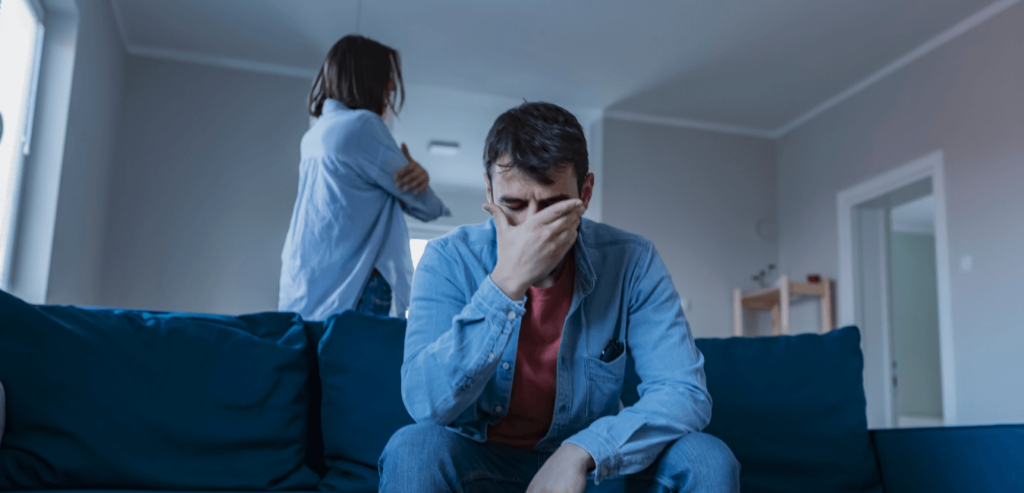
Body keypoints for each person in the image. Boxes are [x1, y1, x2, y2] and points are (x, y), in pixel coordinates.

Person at [381, 102, 739, 492]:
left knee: (708, 457)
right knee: (413, 448)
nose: (534, 228)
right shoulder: (448, 259)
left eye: (552, 206)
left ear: (584, 194)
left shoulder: (632, 261)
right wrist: (505, 285)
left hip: (591, 466)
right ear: (489, 191)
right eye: (514, 205)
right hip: (483, 458)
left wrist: (579, 451)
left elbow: (683, 392)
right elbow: (425, 404)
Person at [279, 35, 449, 320]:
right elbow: (428, 208)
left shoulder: (315, 135)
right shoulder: (363, 127)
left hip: (308, 288)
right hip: (355, 288)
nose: (392, 87)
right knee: (359, 364)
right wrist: (421, 174)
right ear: (370, 78)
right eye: (389, 77)